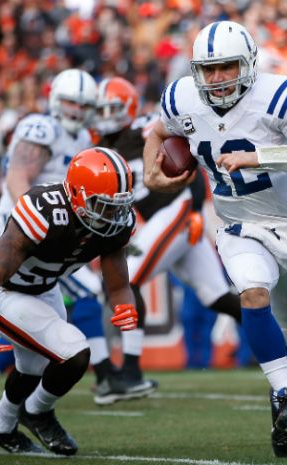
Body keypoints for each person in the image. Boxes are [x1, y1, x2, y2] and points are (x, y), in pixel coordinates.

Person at [142, 21, 287, 457]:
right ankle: (285, 394)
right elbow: (158, 133)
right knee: (252, 291)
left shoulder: (279, 94)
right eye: (208, 69)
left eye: (227, 67)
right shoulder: (181, 98)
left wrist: (258, 156)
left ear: (248, 64)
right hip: (238, 225)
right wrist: (150, 172)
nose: (217, 78)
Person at [0, 146, 139, 455]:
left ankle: (0, 426)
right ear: (78, 196)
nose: (113, 214)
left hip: (44, 290)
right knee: (75, 352)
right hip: (4, 291)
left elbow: (118, 281)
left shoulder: (114, 223)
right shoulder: (44, 209)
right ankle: (38, 411)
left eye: (117, 206)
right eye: (103, 205)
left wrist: (125, 303)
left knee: (35, 365)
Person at [94, 76, 242, 393]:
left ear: (130, 107)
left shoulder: (144, 128)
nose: (106, 116)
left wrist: (196, 209)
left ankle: (131, 372)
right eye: (102, 110)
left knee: (126, 279)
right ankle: (281, 340)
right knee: (217, 297)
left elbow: (188, 157)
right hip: (162, 217)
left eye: (112, 109)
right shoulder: (103, 146)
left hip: (177, 207)